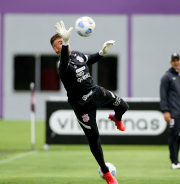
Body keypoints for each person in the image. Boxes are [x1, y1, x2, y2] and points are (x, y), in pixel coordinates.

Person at [50, 21, 129, 184]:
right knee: (94, 139)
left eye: (65, 40)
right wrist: (65, 41)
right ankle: (107, 173)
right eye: (60, 42)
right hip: (81, 106)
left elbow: (89, 59)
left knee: (123, 106)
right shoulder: (61, 65)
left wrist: (102, 52)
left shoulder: (77, 54)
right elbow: (64, 61)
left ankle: (117, 118)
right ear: (55, 49)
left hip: (96, 92)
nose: (65, 42)